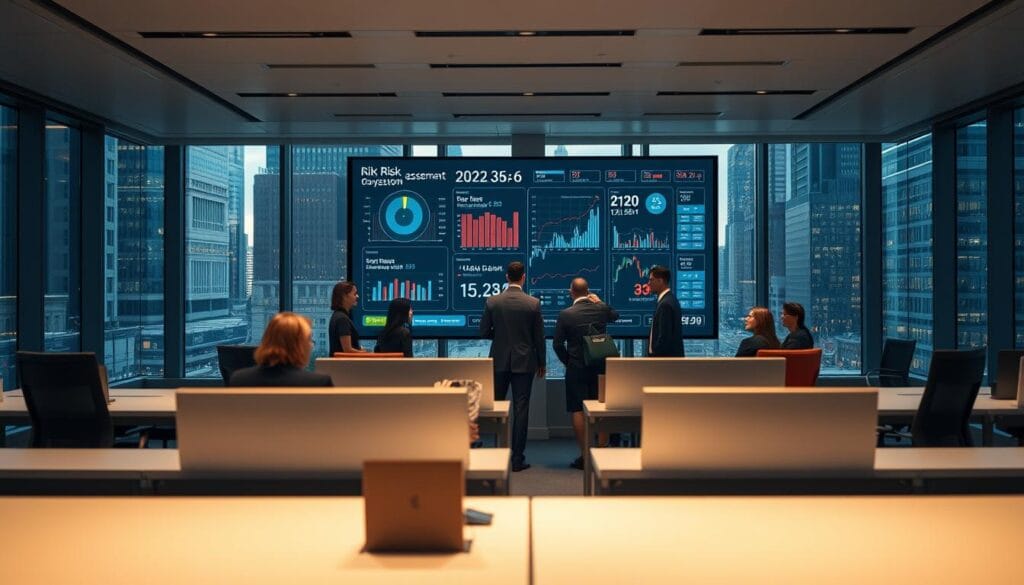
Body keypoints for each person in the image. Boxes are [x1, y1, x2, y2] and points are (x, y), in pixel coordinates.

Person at [480, 261, 545, 472]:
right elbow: (539, 337)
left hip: (499, 360)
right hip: (525, 362)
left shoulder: (493, 301)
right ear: (523, 277)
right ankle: (517, 459)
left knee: (497, 409)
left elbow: (483, 332)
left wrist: (499, 338)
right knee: (521, 409)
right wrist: (542, 362)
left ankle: (496, 456)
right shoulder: (533, 303)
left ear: (507, 277)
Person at [553, 278, 619, 470]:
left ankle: (585, 456)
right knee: (602, 408)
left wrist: (569, 362)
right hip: (601, 367)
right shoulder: (600, 309)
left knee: (577, 409)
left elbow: (557, 344)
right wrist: (599, 302)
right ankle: (602, 452)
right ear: (588, 291)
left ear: (571, 292)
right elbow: (615, 315)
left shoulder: (566, 314)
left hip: (577, 368)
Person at [229, 312, 333, 387]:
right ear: (298, 346)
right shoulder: (318, 383)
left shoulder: (239, 380)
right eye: (309, 339)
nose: (311, 345)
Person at [647, 265, 684, 357]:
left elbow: (664, 338)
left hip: (663, 362)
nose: (648, 283)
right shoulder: (670, 299)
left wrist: (655, 356)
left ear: (660, 281)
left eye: (651, 280)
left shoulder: (665, 305)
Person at [329, 281, 365, 356]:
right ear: (344, 296)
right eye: (354, 294)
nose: (357, 296)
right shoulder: (342, 319)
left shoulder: (338, 316)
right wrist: (366, 354)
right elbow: (347, 350)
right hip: (344, 367)